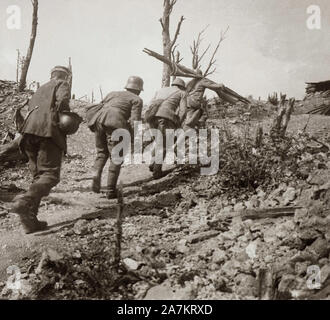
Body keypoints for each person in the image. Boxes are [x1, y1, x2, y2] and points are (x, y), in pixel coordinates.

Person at [10, 66, 72, 234]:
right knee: (50, 175)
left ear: (51, 75)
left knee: (38, 176)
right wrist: (66, 118)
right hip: (47, 132)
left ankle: (31, 221)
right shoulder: (62, 84)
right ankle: (24, 200)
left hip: (27, 133)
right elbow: (62, 103)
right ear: (65, 76)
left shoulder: (41, 88)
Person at [87, 76, 143, 198]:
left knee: (102, 153)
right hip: (114, 123)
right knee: (116, 157)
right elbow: (135, 121)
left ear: (127, 86)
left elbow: (101, 106)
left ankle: (96, 173)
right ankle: (111, 191)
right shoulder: (137, 99)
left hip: (98, 121)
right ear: (138, 89)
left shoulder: (112, 94)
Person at [148, 78, 187, 178]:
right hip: (165, 119)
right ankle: (157, 172)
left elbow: (150, 104)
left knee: (160, 142)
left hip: (152, 118)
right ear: (182, 86)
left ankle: (153, 164)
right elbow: (183, 111)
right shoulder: (182, 93)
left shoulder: (161, 90)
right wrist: (179, 124)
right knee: (165, 144)